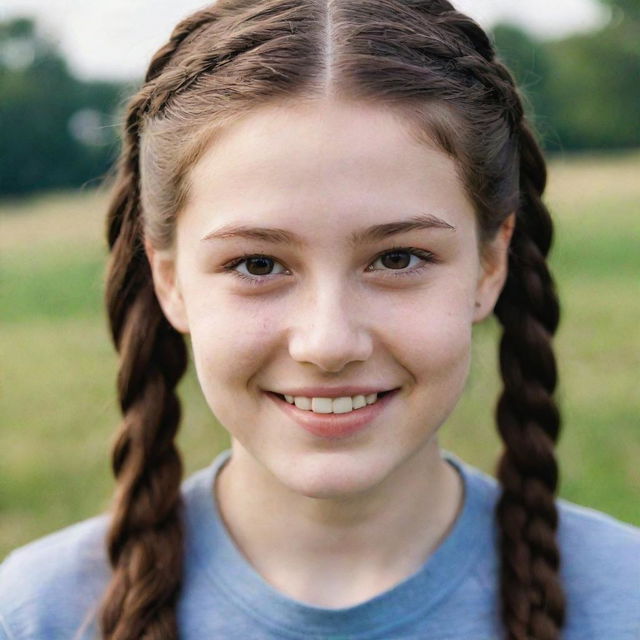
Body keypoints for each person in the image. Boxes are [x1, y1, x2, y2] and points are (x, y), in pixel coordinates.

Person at [1, 0, 638, 638]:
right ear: (169, 279)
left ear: (489, 265)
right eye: (256, 264)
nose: (328, 342)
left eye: (398, 257)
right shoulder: (38, 614)